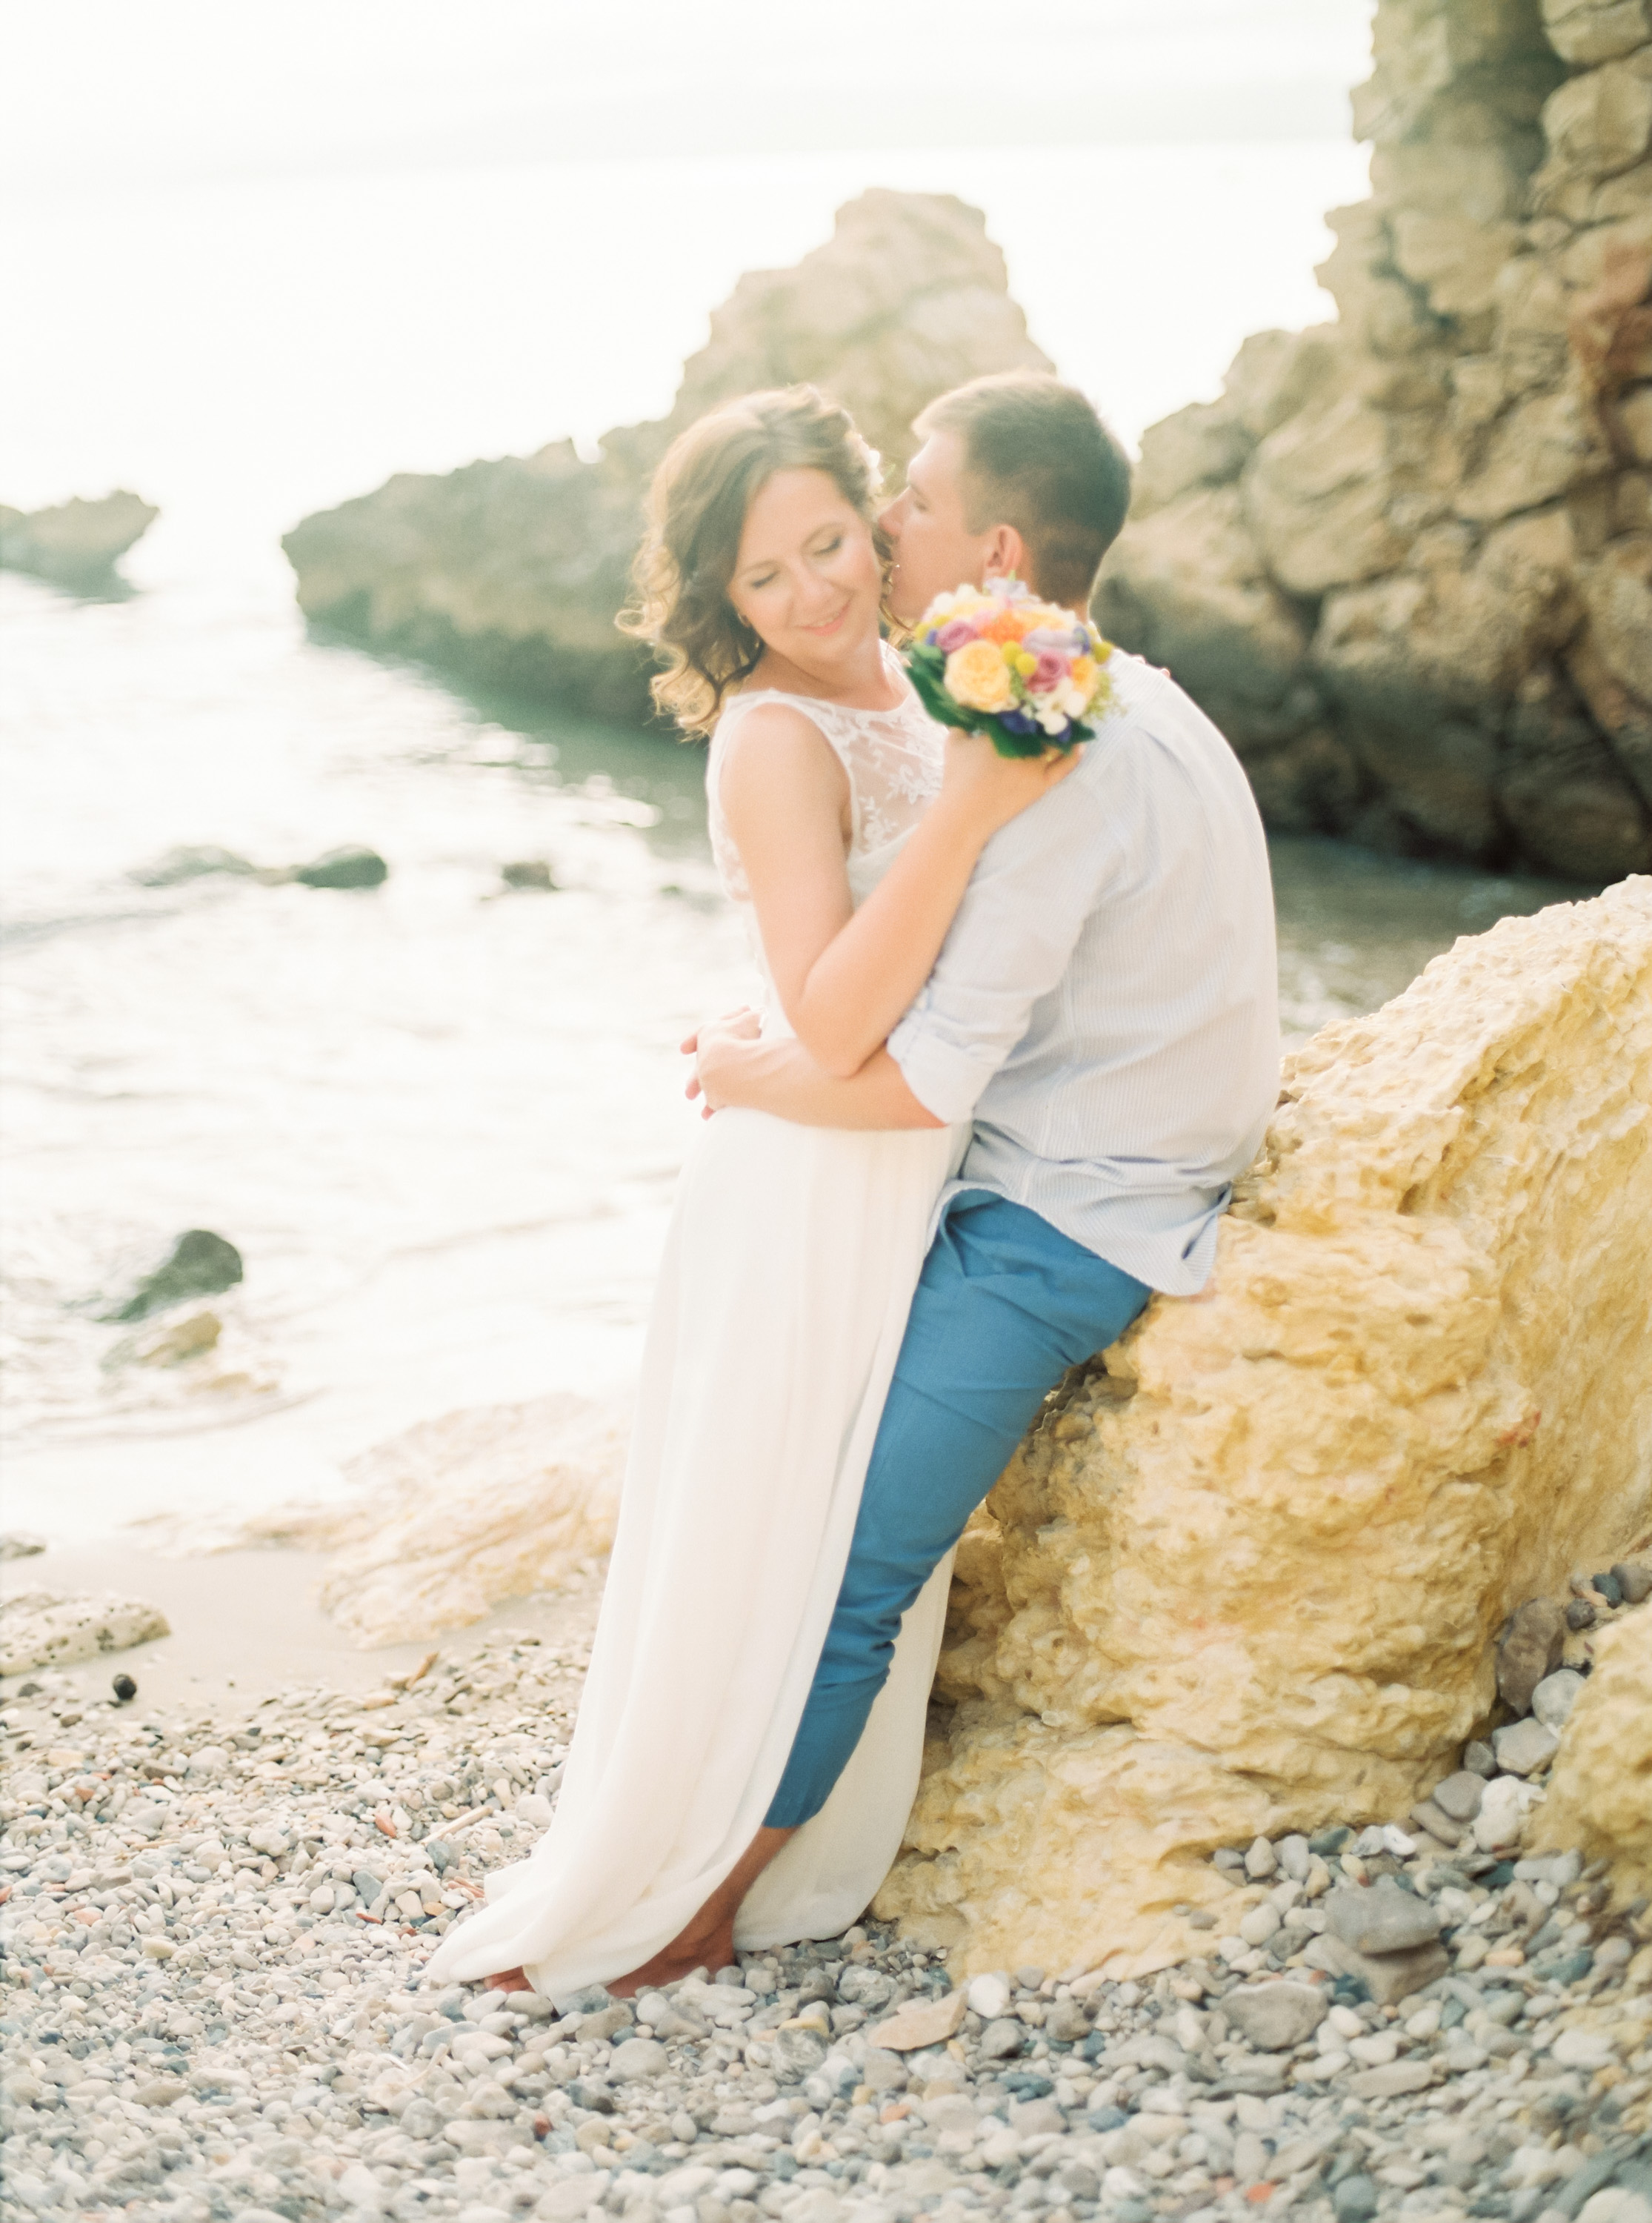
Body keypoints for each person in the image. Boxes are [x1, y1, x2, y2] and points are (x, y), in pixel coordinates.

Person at [423, 383, 1074, 2002]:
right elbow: (837, 1012)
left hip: (912, 1159)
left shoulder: (939, 680)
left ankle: (784, 1843)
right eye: (763, 578)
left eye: (829, 544)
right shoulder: (774, 744)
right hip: (811, 1176)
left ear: (874, 521)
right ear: (717, 599)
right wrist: (977, 807)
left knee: (852, 1534)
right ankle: (665, 1872)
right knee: (764, 1529)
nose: (812, 594)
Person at [673, 368, 1282, 1964]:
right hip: (1117, 1148)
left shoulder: (1044, 771)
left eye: (906, 505)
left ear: (993, 545)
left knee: (846, 1553)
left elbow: (920, 1075)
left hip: (1063, 1214)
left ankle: (703, 1903)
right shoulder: (1127, 689)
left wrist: (747, 1073)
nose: (879, 529)